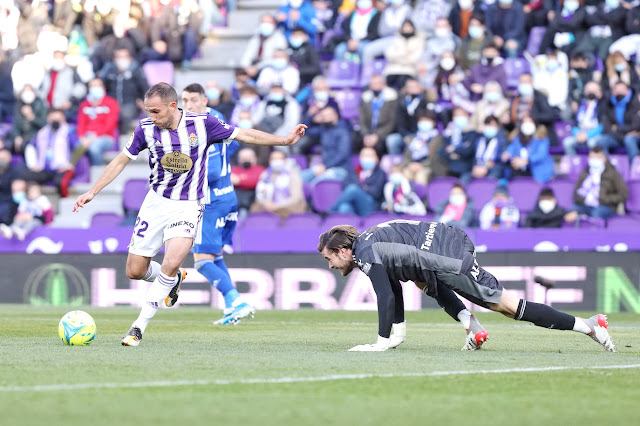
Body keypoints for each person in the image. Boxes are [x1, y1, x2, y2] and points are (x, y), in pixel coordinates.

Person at [72, 83, 307, 346]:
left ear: (173, 106)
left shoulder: (204, 124)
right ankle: (172, 281)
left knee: (172, 262)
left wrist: (283, 140)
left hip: (188, 205)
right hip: (156, 203)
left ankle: (138, 327)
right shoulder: (145, 129)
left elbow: (245, 135)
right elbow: (120, 160)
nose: (152, 117)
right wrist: (93, 191)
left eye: (156, 111)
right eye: (148, 111)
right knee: (135, 271)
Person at [317, 222, 614, 352]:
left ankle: (588, 325)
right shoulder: (369, 241)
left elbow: (383, 294)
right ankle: (472, 327)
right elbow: (393, 287)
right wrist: (398, 335)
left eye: (330, 258)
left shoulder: (365, 254)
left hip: (449, 256)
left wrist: (381, 342)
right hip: (444, 241)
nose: (330, 266)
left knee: (507, 307)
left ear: (343, 251)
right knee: (422, 280)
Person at [180, 82, 255, 325]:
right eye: (185, 101)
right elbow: (232, 144)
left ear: (204, 100)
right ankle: (231, 306)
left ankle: (236, 300)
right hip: (227, 196)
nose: (189, 105)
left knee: (201, 262)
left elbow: (210, 172)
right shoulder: (218, 117)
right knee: (216, 256)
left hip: (211, 202)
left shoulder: (201, 125)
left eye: (193, 100)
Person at [565, 146, 628, 222]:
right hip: (584, 205)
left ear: (604, 158)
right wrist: (585, 200)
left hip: (605, 206)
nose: (594, 160)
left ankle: (594, 233)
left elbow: (623, 195)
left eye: (598, 157)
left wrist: (604, 199)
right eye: (592, 157)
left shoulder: (613, 174)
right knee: (570, 213)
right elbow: (576, 193)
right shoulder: (585, 173)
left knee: (596, 214)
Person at [22, 109, 76, 196]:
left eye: (58, 119)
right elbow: (30, 147)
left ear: (63, 119)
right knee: (27, 176)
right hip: (44, 168)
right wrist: (33, 164)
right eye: (53, 119)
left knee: (60, 182)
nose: (55, 121)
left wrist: (70, 163)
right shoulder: (42, 132)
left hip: (61, 168)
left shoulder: (68, 131)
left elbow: (79, 147)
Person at [99, 47, 149, 132]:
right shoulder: (109, 70)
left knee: (125, 114)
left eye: (125, 57)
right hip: (111, 102)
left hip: (130, 102)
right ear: (114, 59)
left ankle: (123, 135)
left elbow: (145, 87)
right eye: (119, 57)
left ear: (130, 58)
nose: (122, 59)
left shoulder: (136, 70)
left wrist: (143, 100)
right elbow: (101, 85)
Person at [300, 105, 352, 185]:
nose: (326, 118)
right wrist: (310, 115)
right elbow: (306, 131)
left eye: (328, 115)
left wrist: (325, 166)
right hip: (324, 167)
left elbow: (342, 154)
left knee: (316, 184)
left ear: (335, 115)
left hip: (340, 169)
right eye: (324, 116)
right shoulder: (324, 129)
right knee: (299, 178)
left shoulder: (343, 131)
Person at [75, 78, 120, 166]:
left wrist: (92, 138)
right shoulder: (84, 104)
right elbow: (81, 124)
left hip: (106, 137)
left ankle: (98, 174)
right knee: (77, 147)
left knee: (94, 148)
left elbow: (110, 125)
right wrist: (82, 138)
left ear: (103, 88)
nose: (95, 88)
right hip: (87, 136)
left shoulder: (111, 103)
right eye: (92, 86)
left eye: (97, 86)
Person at [251, 150, 307, 219]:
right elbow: (260, 194)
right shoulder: (265, 174)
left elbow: (296, 198)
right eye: (274, 159)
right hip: (267, 208)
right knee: (255, 208)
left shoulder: (292, 175)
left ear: (285, 161)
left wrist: (276, 206)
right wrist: (266, 204)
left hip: (288, 208)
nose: (276, 161)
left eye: (279, 159)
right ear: (269, 161)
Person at [330, 147, 386, 216]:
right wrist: (364, 187)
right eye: (364, 156)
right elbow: (344, 185)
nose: (367, 158)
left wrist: (357, 189)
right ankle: (348, 226)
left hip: (370, 205)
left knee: (353, 189)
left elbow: (376, 192)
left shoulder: (380, 173)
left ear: (377, 159)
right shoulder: (354, 171)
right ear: (359, 158)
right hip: (354, 204)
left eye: (370, 156)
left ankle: (330, 212)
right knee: (344, 207)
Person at [502, 117, 554, 184]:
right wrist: (507, 153)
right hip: (519, 169)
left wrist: (526, 161)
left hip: (537, 170)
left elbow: (541, 154)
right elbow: (512, 147)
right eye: (525, 122)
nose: (527, 124)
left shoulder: (542, 138)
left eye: (530, 122)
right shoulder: (517, 137)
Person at [356, 74, 398, 157]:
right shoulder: (366, 98)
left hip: (384, 132)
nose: (375, 86)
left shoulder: (391, 98)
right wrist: (366, 135)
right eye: (373, 84)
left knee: (382, 144)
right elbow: (362, 120)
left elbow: (392, 122)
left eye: (378, 83)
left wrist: (377, 136)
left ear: (384, 84)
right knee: (355, 139)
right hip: (368, 131)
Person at [563, 81, 607, 156]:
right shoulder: (580, 105)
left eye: (594, 91)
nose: (591, 93)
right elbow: (575, 124)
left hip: (596, 134)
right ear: (585, 92)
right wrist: (578, 133)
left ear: (600, 93)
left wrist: (587, 135)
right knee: (567, 142)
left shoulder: (603, 105)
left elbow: (603, 125)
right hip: (580, 134)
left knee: (592, 143)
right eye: (589, 91)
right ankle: (575, 164)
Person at [599, 81, 640, 157]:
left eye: (621, 90)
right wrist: (621, 134)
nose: (619, 93)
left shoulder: (635, 103)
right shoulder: (608, 104)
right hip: (617, 136)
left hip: (631, 136)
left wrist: (617, 128)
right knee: (601, 141)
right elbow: (606, 126)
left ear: (627, 91)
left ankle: (634, 167)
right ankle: (607, 167)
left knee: (629, 140)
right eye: (616, 90)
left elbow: (636, 126)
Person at [383, 19, 425, 89]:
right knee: (388, 82)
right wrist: (404, 54)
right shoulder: (396, 39)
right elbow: (389, 54)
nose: (407, 29)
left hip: (409, 70)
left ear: (413, 28)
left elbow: (415, 58)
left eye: (409, 26)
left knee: (403, 81)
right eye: (405, 27)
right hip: (393, 69)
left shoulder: (419, 40)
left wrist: (398, 57)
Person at [439, 108, 476, 183]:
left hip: (467, 169)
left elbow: (468, 151)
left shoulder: (472, 133)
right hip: (450, 168)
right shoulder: (450, 134)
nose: (459, 118)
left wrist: (453, 149)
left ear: (468, 117)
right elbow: (442, 152)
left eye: (461, 115)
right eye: (456, 115)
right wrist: (452, 155)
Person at [466, 116, 508, 183]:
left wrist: (486, 168)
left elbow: (501, 160)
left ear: (498, 127)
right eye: (487, 125)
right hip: (478, 167)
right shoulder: (479, 139)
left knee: (491, 179)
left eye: (492, 125)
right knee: (465, 178)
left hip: (494, 168)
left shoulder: (502, 140)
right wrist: (475, 167)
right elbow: (474, 157)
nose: (490, 127)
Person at [231, 148, 265, 217]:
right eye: (243, 158)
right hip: (234, 201)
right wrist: (247, 180)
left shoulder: (260, 169)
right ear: (238, 159)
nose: (246, 160)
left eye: (248, 158)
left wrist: (239, 180)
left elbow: (254, 183)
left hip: (252, 201)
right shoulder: (233, 169)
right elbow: (228, 182)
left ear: (255, 158)